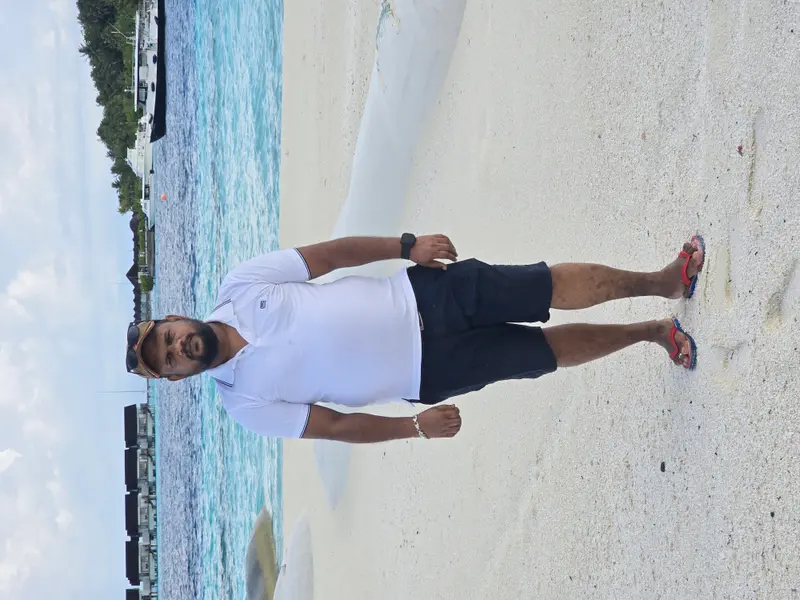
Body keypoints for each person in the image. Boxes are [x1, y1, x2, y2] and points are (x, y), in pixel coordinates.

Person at [125, 233, 705, 443]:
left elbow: (329, 256)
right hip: (428, 373)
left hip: (422, 295)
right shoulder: (244, 405)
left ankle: (664, 281)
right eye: (167, 360)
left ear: (174, 318)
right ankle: (653, 333)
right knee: (542, 352)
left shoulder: (240, 285)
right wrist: (413, 428)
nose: (176, 348)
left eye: (167, 338)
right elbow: (336, 426)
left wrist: (406, 247)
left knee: (542, 286)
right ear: (175, 378)